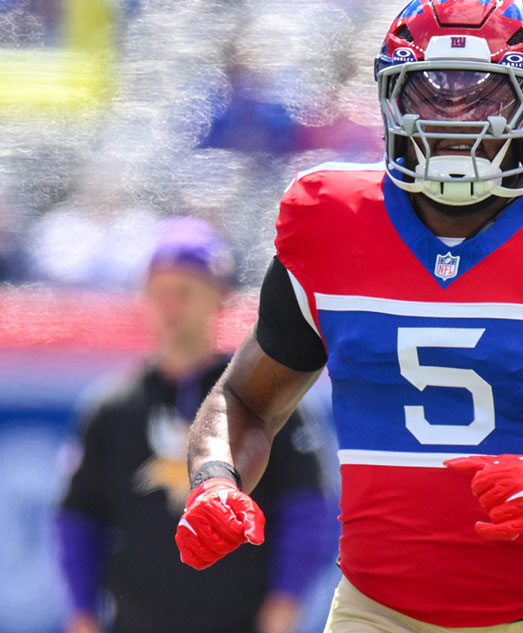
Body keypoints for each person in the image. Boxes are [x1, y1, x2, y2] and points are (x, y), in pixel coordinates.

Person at [173, 0, 523, 633]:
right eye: (428, 91)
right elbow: (243, 399)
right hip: (370, 612)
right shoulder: (333, 225)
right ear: (389, 97)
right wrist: (215, 478)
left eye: (485, 95)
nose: (452, 119)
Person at [56, 217, 336, 633]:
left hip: (242, 621)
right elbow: (79, 518)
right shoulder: (113, 407)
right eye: (159, 292)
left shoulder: (259, 397)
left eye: (185, 292)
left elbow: (307, 508)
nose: (170, 307)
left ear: (218, 297)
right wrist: (81, 612)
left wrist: (285, 604)